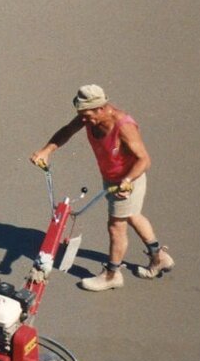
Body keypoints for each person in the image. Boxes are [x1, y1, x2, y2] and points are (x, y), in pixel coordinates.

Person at [29, 85, 174, 292]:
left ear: (101, 108)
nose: (84, 120)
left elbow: (144, 159)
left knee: (116, 227)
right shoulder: (88, 117)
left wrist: (127, 181)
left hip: (128, 181)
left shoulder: (123, 126)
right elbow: (67, 131)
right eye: (81, 115)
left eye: (87, 115)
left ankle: (112, 275)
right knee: (133, 216)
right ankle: (158, 257)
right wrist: (46, 151)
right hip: (111, 178)